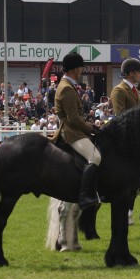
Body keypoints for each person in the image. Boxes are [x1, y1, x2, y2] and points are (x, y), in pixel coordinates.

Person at [50, 52, 101, 210]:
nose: (82, 70)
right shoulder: (66, 88)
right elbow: (73, 118)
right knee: (95, 157)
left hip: (74, 128)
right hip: (71, 131)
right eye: (81, 67)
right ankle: (84, 196)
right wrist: (90, 128)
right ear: (74, 69)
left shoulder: (68, 85)